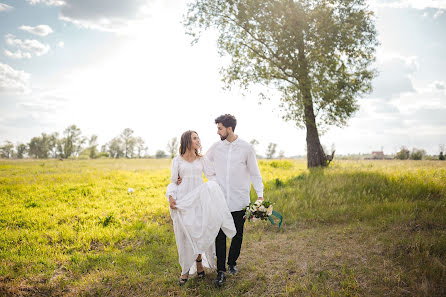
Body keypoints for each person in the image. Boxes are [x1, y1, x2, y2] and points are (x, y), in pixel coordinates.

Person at [166, 130, 236, 286]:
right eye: (195, 138)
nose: (198, 140)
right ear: (187, 141)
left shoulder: (202, 159)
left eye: (198, 138)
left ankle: (199, 262)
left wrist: (213, 189)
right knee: (184, 234)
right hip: (183, 200)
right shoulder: (177, 161)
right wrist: (171, 197)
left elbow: (211, 176)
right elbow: (172, 181)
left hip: (199, 199)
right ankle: (184, 270)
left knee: (198, 231)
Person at [207, 114, 264, 287]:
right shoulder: (216, 147)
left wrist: (260, 195)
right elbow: (202, 162)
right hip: (220, 201)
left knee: (238, 235)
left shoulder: (246, 148)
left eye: (220, 128)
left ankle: (232, 263)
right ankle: (220, 271)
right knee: (220, 236)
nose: (217, 132)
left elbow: (255, 173)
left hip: (240, 200)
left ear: (229, 129)